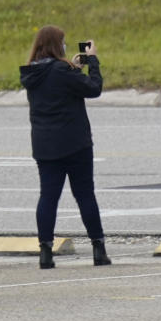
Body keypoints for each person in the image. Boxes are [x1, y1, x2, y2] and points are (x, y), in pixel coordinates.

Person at [20, 26, 109, 270]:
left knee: (48, 197)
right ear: (57, 46)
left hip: (44, 145)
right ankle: (98, 248)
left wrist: (73, 68)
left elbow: (55, 84)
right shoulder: (63, 71)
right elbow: (93, 88)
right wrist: (93, 61)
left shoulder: (31, 73)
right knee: (84, 195)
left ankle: (46, 251)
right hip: (75, 143)